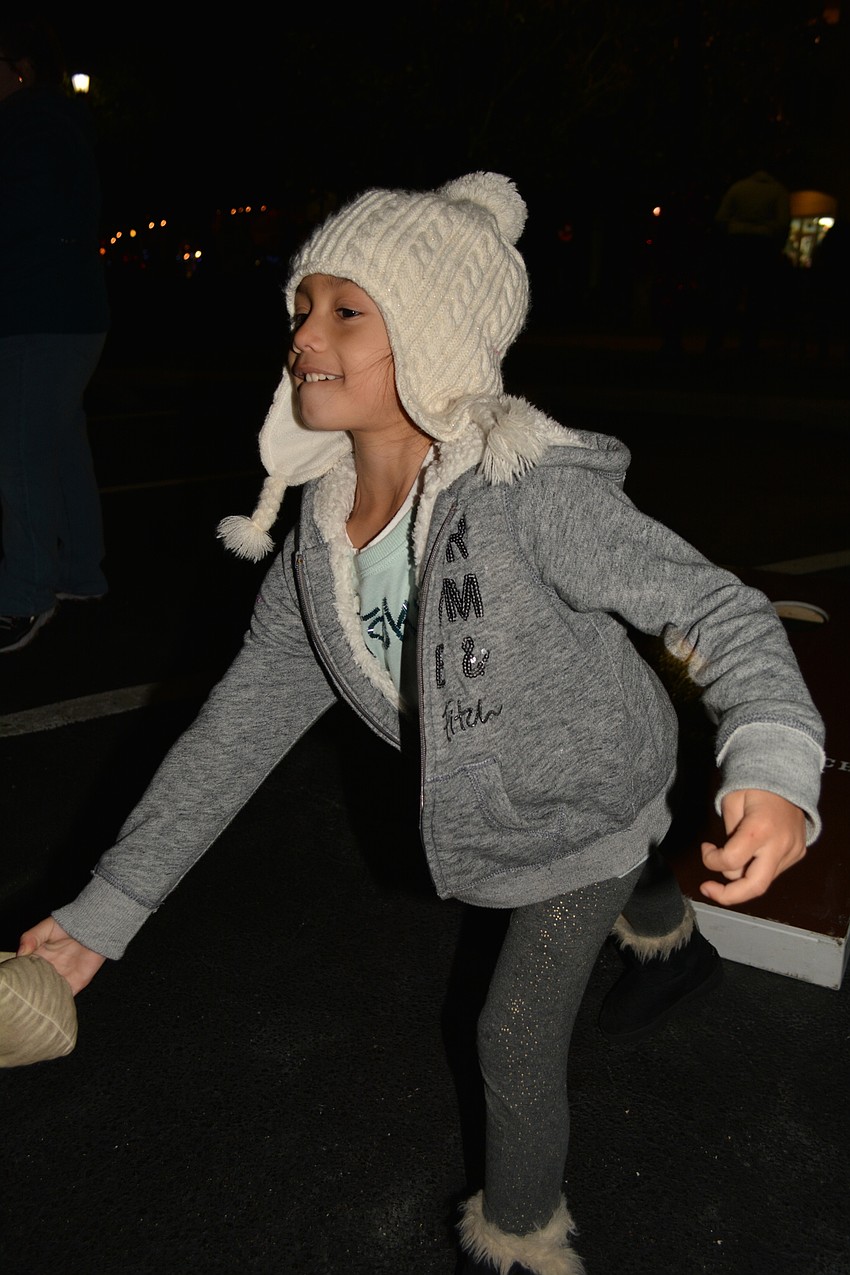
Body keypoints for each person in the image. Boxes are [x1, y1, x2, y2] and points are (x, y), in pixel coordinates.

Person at [16, 174, 824, 1274]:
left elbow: (718, 608)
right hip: (557, 795)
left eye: (348, 311)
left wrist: (775, 765)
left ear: (435, 335)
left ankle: (525, 1245)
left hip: (590, 789)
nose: (305, 335)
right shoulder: (320, 538)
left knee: (513, 1030)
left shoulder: (531, 490)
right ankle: (668, 941)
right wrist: (109, 908)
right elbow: (237, 728)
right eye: (303, 306)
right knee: (638, 858)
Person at [0, 16, 110, 654]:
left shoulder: (21, 124)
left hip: (33, 313)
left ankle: (26, 594)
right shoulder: (63, 124)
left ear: (21, 69)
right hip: (72, 313)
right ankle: (78, 573)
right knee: (60, 447)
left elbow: (15, 219)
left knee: (19, 456)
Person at [705, 167, 791, 358]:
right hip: (763, 243)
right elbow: (784, 221)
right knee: (757, 294)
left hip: (737, 241)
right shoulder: (778, 190)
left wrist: (730, 233)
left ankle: (716, 338)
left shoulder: (738, 187)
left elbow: (720, 217)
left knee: (729, 291)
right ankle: (749, 342)